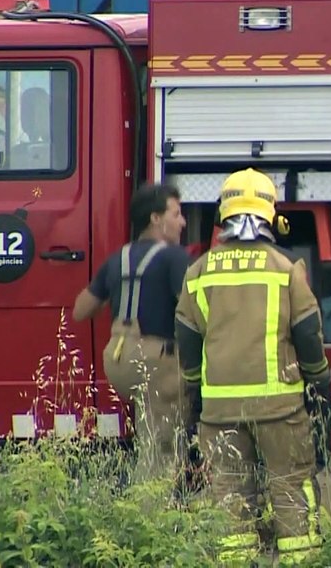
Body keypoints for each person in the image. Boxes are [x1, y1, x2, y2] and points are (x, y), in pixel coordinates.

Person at [175, 168, 330, 565]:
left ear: (220, 216)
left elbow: (188, 341)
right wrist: (319, 380)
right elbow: (308, 335)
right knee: (291, 486)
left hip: (219, 410)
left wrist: (195, 391)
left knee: (229, 495)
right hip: (280, 409)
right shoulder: (286, 269)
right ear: (271, 215)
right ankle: (301, 562)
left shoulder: (198, 273)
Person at [73, 183, 191, 483]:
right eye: (176, 214)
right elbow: (193, 308)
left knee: (147, 427)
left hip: (118, 357)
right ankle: (153, 517)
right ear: (155, 218)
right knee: (162, 450)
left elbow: (80, 310)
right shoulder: (174, 258)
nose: (183, 222)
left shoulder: (118, 258)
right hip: (156, 359)